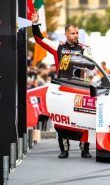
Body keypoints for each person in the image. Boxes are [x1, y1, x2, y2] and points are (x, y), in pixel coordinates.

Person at [31, 12, 92, 159]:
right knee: (61, 120)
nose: (76, 35)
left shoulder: (84, 48)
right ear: (66, 34)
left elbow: (91, 66)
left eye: (77, 33)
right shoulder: (58, 46)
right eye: (73, 33)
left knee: (84, 119)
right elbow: (40, 39)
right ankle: (64, 149)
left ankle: (85, 148)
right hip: (62, 89)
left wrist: (85, 60)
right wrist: (35, 24)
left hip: (80, 89)